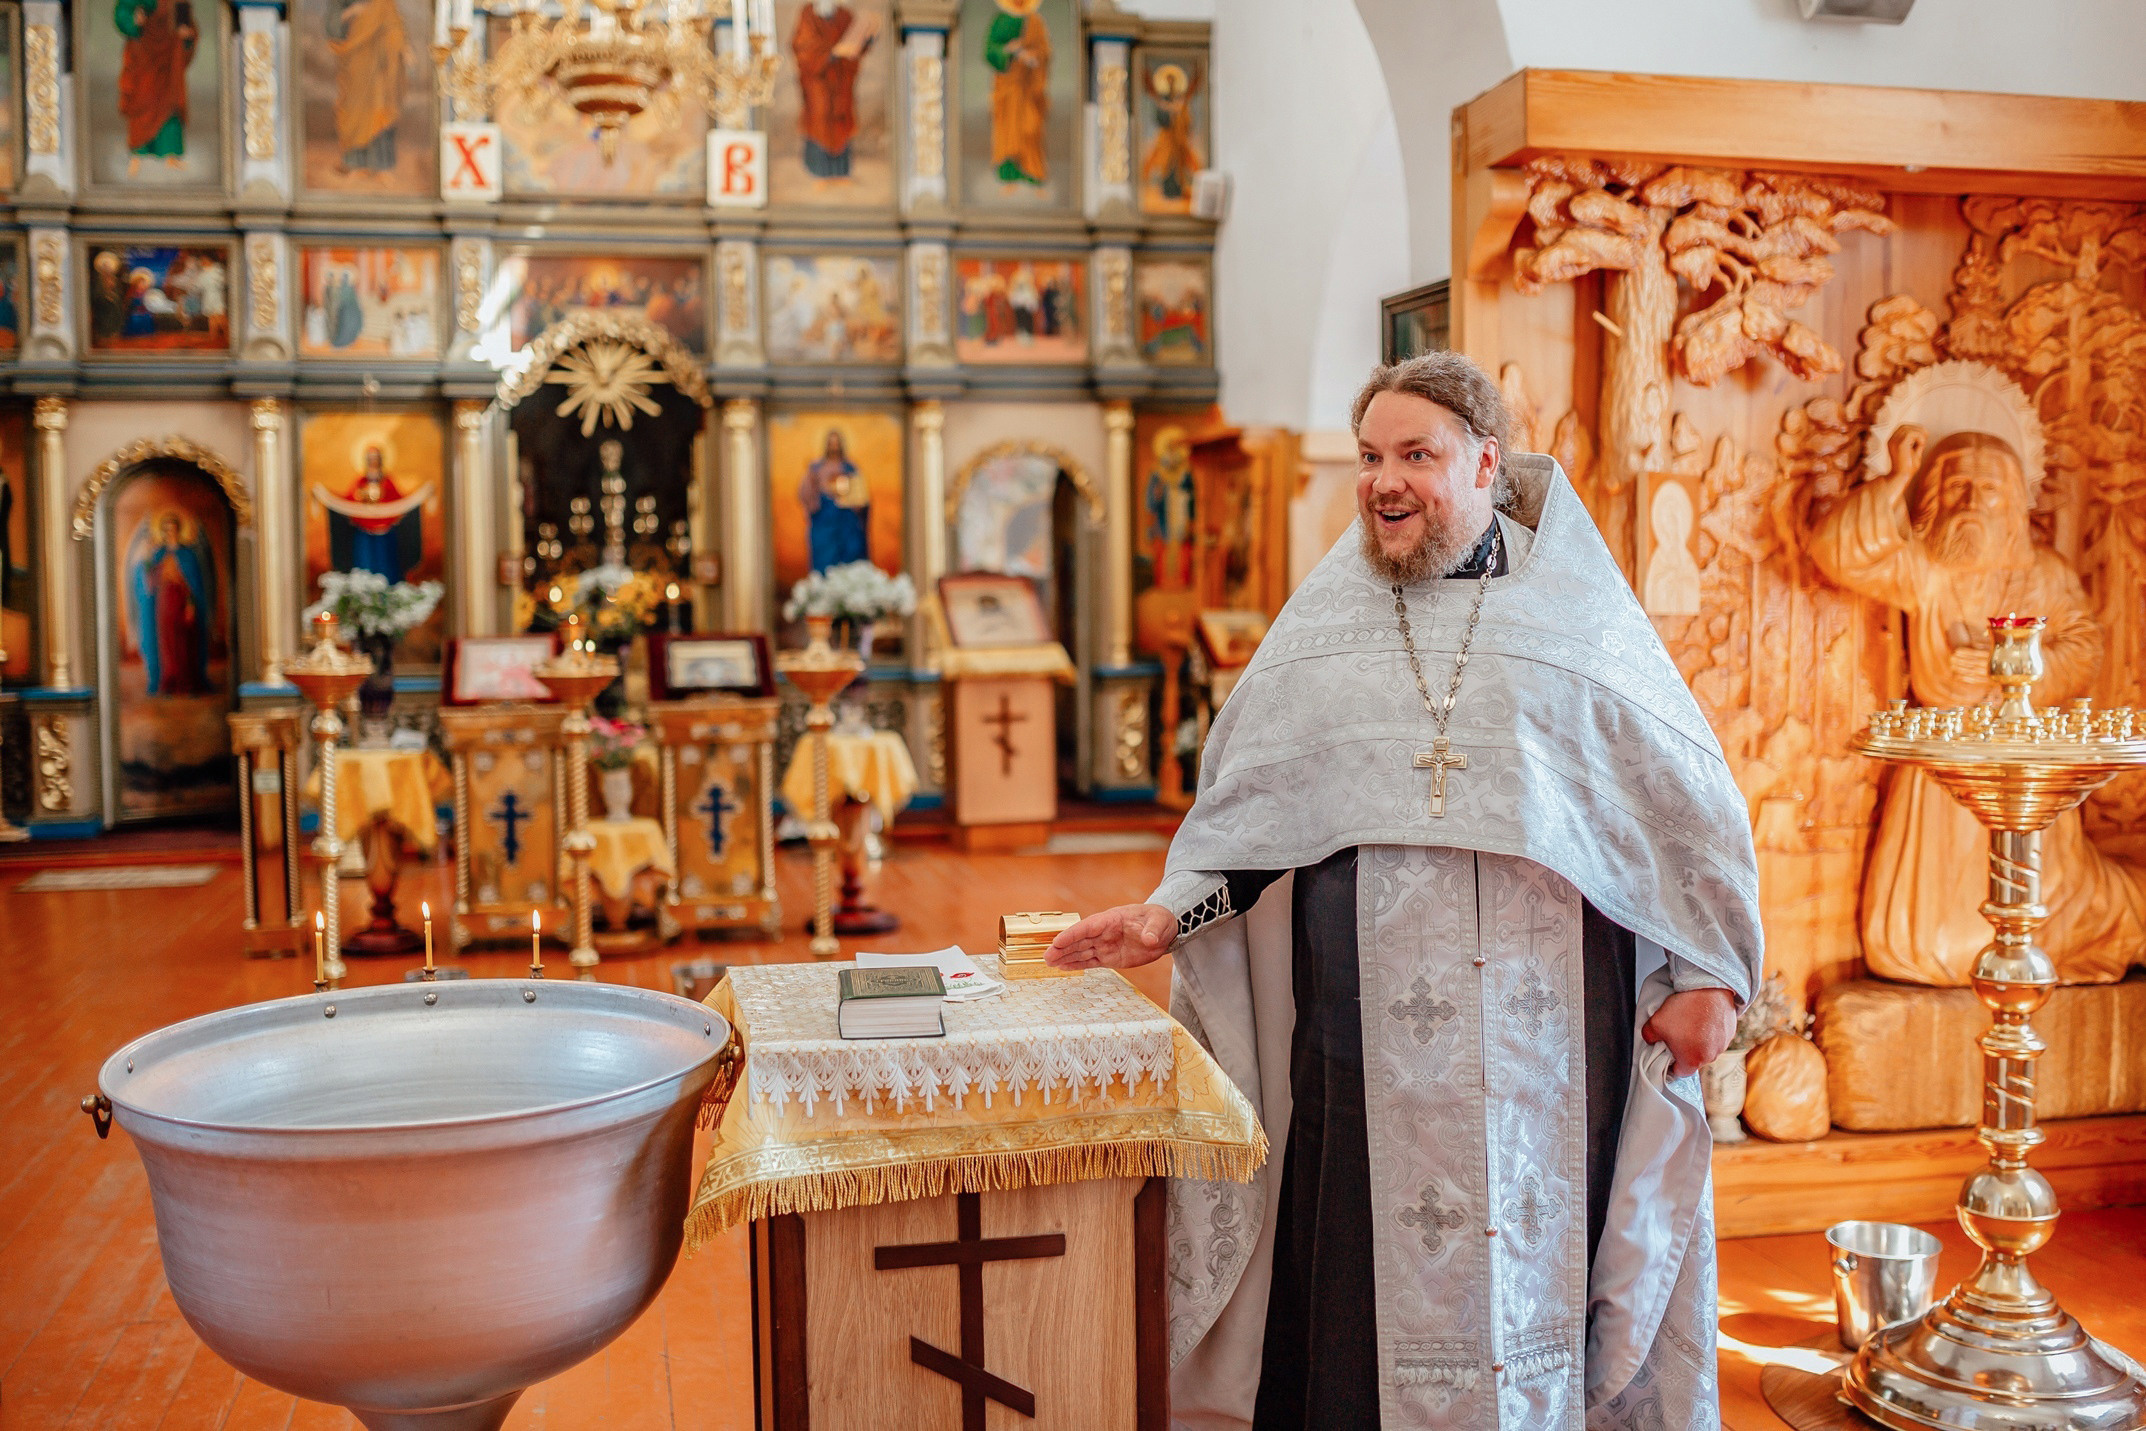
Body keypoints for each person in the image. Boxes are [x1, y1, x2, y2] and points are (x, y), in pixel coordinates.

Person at [1048, 351, 1759, 1430]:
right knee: (1350, 1289)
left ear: (1486, 463)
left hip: (1551, 1051)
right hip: (1360, 1043)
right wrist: (1164, 913)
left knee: (1538, 1261)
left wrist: (1707, 968)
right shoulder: (1324, 631)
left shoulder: (1577, 622)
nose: (1385, 481)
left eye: (1415, 456)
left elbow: (1675, 807)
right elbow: (1252, 815)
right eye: (1371, 457)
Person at [1809, 423, 2146, 984]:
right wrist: (1896, 480)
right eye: (1957, 486)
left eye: (1988, 489)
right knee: (1911, 947)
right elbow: (1836, 553)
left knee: (2045, 920)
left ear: (2013, 500)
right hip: (1944, 771)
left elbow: (2083, 648)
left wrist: (2007, 664)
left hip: (2026, 768)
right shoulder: (1928, 567)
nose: (1970, 501)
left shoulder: (2045, 574)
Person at [791, 0, 877, 181]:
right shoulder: (808, 14)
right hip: (818, 84)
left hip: (840, 85)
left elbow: (856, 46)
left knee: (841, 122)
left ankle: (840, 172)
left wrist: (868, 37)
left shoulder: (844, 15)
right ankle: (818, 172)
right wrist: (833, 53)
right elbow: (803, 48)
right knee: (819, 122)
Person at [130, 510, 214, 696]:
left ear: (178, 530)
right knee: (166, 644)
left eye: (173, 529)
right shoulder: (158, 554)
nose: (169, 533)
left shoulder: (188, 555)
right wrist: (146, 564)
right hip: (164, 605)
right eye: (166, 529)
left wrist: (191, 605)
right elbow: (151, 582)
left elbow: (194, 585)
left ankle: (188, 683)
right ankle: (169, 682)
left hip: (182, 604)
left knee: (185, 643)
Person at [325, 0, 410, 176]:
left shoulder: (384, 3)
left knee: (380, 108)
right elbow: (332, 25)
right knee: (354, 107)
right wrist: (350, 13)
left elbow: (393, 23)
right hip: (356, 59)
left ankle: (380, 165)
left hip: (381, 63)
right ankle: (353, 162)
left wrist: (401, 46)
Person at [116, 0, 198, 175]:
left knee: (170, 105)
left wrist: (187, 36)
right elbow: (123, 11)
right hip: (144, 56)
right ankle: (138, 154)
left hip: (169, 59)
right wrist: (133, 20)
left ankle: (170, 155)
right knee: (142, 102)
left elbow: (188, 23)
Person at [984, 0, 1049, 186]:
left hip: (1028, 86)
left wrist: (1033, 58)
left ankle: (1031, 170)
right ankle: (1008, 171)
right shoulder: (1000, 20)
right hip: (1007, 86)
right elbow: (990, 50)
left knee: (1030, 126)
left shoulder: (1035, 22)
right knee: (1007, 127)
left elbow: (1043, 52)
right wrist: (1008, 50)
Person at [799, 429, 869, 571]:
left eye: (837, 444)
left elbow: (862, 498)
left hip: (846, 521)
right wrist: (816, 486)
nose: (834, 447)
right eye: (831, 444)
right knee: (825, 558)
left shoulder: (850, 468)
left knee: (851, 555)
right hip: (825, 519)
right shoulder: (816, 468)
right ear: (827, 445)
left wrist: (854, 500)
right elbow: (805, 492)